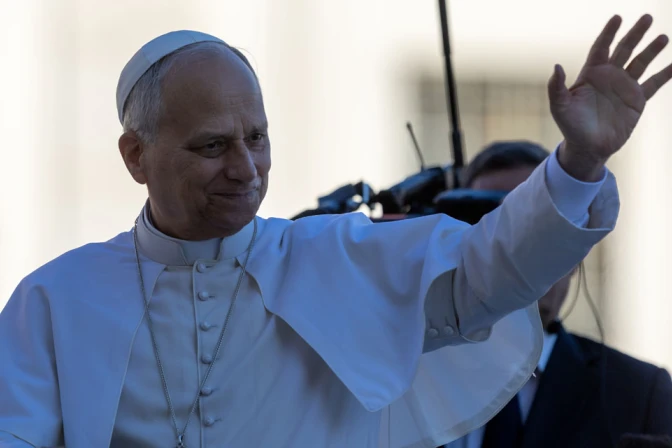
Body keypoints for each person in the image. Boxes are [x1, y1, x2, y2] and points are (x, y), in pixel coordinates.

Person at [0, 14, 670, 448]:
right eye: (212, 146)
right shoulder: (56, 299)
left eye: (257, 138)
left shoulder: (341, 258)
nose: (245, 169)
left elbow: (485, 273)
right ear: (136, 156)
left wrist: (578, 163)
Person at [443, 141, 672, 448]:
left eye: (540, 229)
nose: (517, 255)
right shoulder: (403, 381)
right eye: (495, 231)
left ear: (576, 251)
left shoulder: (639, 394)